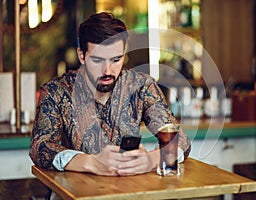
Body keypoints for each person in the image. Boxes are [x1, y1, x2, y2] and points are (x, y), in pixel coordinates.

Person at [29, 12, 191, 177]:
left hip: (129, 191)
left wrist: (150, 160)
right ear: (81, 55)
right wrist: (91, 162)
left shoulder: (141, 86)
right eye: (97, 60)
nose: (107, 71)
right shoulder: (56, 91)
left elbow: (181, 141)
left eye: (115, 60)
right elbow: (39, 147)